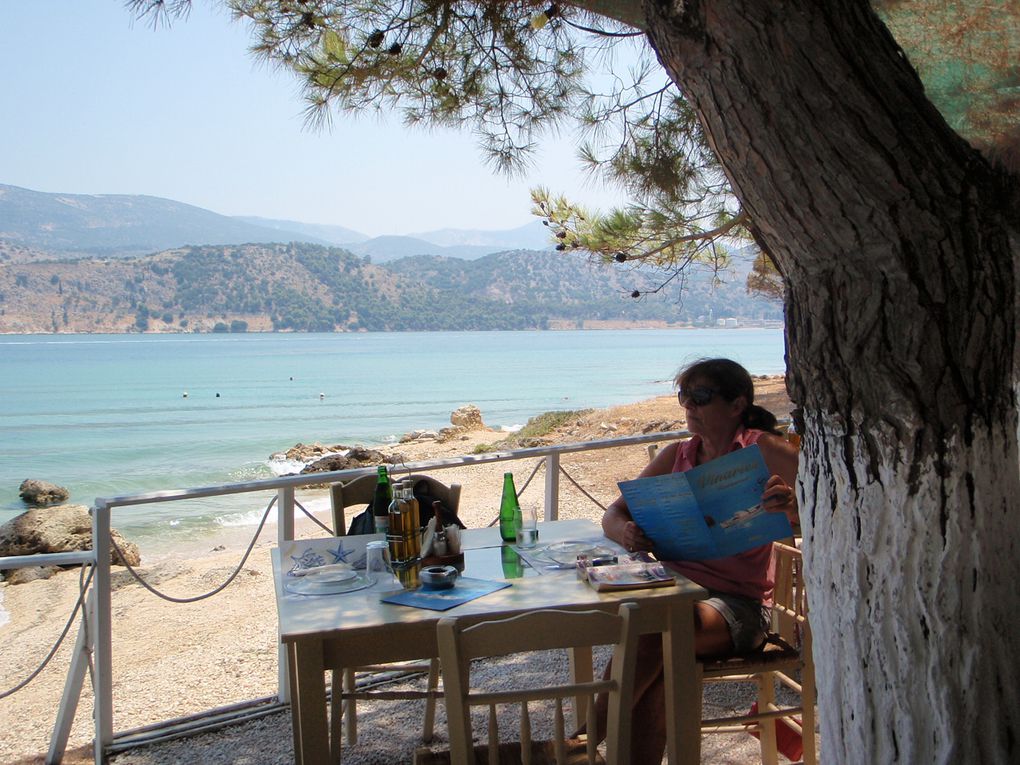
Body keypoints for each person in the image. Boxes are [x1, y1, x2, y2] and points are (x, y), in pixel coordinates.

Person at [596, 358, 799, 763]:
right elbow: (612, 515)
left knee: (655, 628)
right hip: (677, 592)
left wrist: (792, 507)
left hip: (738, 606)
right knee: (660, 647)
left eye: (700, 398)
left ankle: (582, 740)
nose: (689, 407)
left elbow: (832, 508)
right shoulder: (677, 455)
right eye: (684, 397)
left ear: (737, 402)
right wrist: (627, 533)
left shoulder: (763, 449)